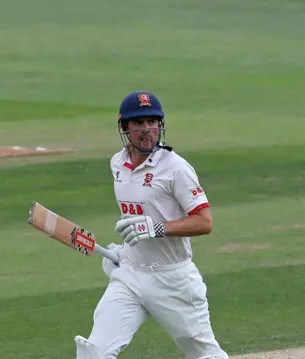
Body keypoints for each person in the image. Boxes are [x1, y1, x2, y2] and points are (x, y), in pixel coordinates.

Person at [74, 91, 229, 359]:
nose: (147, 130)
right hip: (131, 276)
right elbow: (135, 217)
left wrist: (159, 228)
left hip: (174, 280)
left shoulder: (176, 168)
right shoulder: (117, 163)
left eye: (152, 122)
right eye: (139, 123)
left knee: (205, 355)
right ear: (125, 127)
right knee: (94, 352)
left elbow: (205, 222)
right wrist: (124, 252)